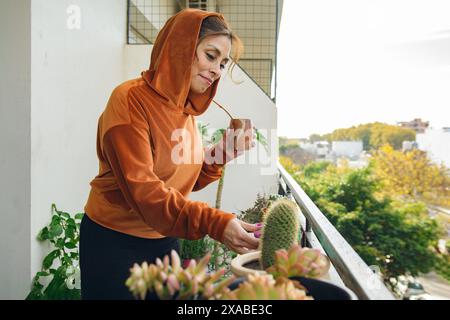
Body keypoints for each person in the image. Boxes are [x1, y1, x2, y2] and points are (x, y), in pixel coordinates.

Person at [79, 8, 260, 300]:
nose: (216, 70)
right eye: (210, 55)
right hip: (114, 244)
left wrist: (223, 152)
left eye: (223, 63)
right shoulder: (129, 100)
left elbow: (182, 178)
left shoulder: (186, 113)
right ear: (180, 48)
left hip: (163, 241)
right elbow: (144, 192)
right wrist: (215, 222)